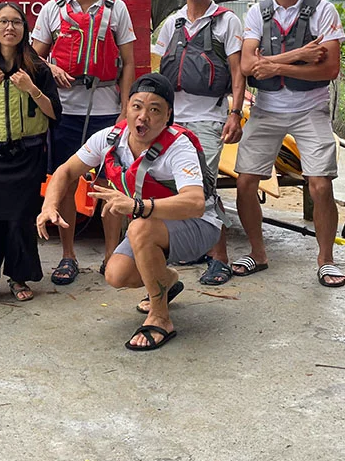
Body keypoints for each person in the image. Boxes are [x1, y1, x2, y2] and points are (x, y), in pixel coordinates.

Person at [37, 73, 222, 351]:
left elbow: (195, 202)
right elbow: (65, 171)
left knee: (139, 226)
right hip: (154, 224)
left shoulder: (178, 146)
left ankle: (160, 318)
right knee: (116, 275)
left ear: (168, 115)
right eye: (137, 106)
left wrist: (137, 207)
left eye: (154, 109)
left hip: (199, 225)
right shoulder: (111, 138)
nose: (143, 116)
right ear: (126, 107)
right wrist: (49, 206)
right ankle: (167, 281)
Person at [235, 0, 345, 287]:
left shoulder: (323, 10)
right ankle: (258, 252)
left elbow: (329, 69)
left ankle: (326, 259)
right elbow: (249, 65)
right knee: (245, 181)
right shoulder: (256, 12)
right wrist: (297, 56)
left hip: (310, 107)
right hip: (266, 108)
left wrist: (275, 68)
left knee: (319, 184)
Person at [31, 0, 136, 285]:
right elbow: (33, 58)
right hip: (65, 111)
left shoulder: (115, 8)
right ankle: (67, 255)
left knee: (109, 183)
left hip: (106, 109)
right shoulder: (52, 9)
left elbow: (129, 62)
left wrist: (125, 111)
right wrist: (50, 67)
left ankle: (111, 254)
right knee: (66, 180)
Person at [152, 0, 245, 289]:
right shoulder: (172, 23)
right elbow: (159, 69)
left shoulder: (226, 21)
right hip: (174, 119)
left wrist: (235, 114)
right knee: (173, 185)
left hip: (209, 117)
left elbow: (238, 70)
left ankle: (220, 258)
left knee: (203, 187)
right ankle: (190, 247)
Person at [0, 2, 61, 305]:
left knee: (21, 220)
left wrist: (32, 88)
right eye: (2, 22)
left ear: (24, 29)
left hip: (27, 156)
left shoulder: (38, 68)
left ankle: (19, 277)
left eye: (16, 22)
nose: (9, 28)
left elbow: (55, 113)